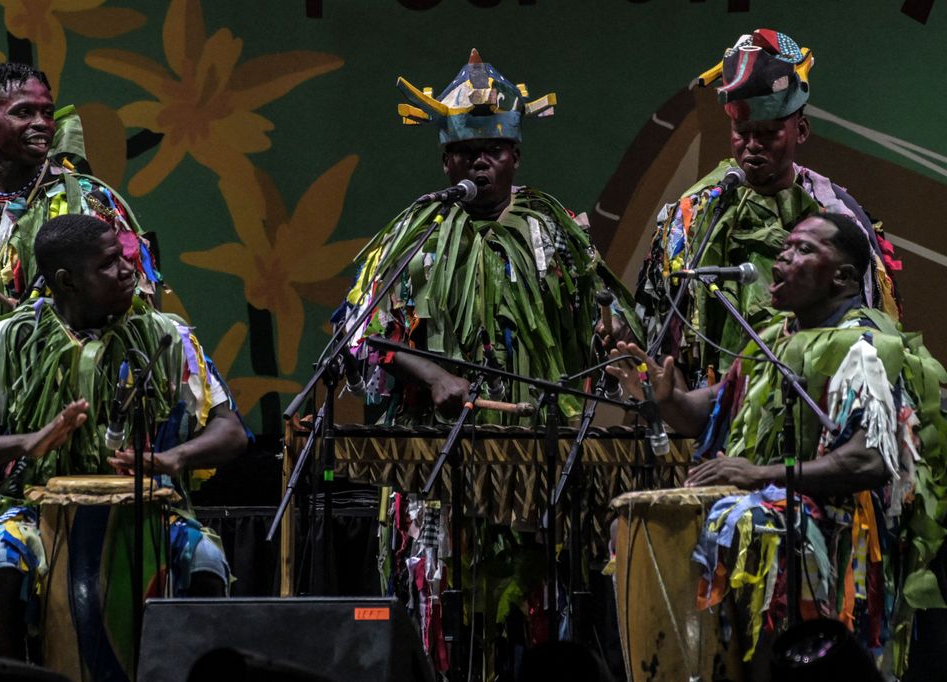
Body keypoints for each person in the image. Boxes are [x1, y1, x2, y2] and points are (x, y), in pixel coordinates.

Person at [332, 50, 613, 674]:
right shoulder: (416, 236)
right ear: (445, 160)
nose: (479, 161)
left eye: (493, 148)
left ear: (515, 155)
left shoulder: (557, 235)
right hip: (436, 464)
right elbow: (363, 332)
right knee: (445, 623)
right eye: (465, 152)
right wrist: (432, 376)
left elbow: (595, 337)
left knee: (540, 618)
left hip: (536, 463)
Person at [609, 212, 947, 678]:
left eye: (805, 249)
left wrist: (759, 475)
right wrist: (666, 400)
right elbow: (707, 408)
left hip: (841, 531)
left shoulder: (865, 347)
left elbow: (869, 460)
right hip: (782, 506)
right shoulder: (774, 338)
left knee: (745, 521)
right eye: (785, 247)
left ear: (843, 277)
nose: (784, 256)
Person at [0, 214, 247, 661]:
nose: (126, 270)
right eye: (108, 264)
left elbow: (231, 429)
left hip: (146, 512)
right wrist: (29, 441)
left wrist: (175, 459)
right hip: (35, 511)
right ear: (66, 281)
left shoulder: (164, 335)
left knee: (205, 559)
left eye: (124, 257)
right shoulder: (11, 340)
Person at [629, 29, 902, 388]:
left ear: (800, 130)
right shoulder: (693, 217)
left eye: (769, 132)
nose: (752, 145)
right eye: (742, 131)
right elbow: (666, 341)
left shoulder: (837, 215)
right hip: (712, 417)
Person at [0, 62, 157, 355]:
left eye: (47, 112)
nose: (42, 123)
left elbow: (137, 299)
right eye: (23, 112)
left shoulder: (88, 201)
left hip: (62, 377)